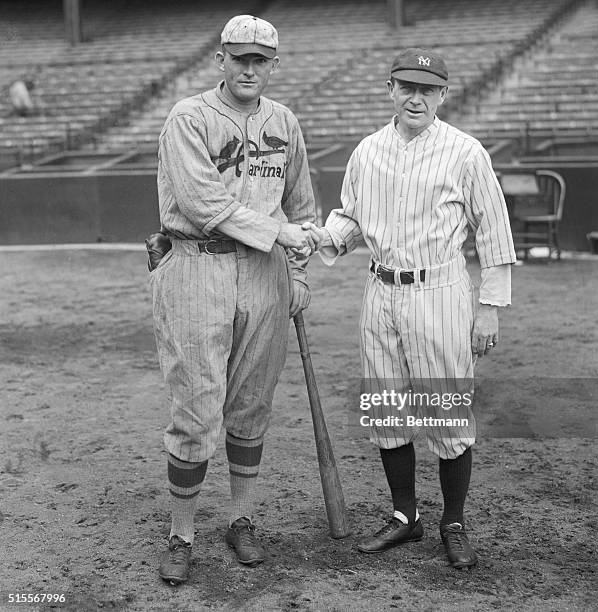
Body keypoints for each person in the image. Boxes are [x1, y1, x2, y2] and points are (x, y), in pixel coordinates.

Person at [304, 48, 516, 569]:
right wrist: (315, 238)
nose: (415, 97)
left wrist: (490, 307)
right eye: (407, 87)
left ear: (443, 95)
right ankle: (406, 517)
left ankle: (454, 522)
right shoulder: (367, 151)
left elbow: (493, 231)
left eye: (428, 89)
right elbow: (349, 219)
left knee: (446, 413)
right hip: (381, 292)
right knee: (387, 410)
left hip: (439, 290)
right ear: (390, 89)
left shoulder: (465, 152)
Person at [149, 14, 318, 585]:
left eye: (261, 59)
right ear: (220, 59)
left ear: (274, 65)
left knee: (251, 405)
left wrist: (296, 271)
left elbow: (301, 207)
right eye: (239, 57)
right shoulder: (189, 118)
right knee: (197, 408)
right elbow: (204, 206)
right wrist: (283, 236)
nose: (250, 68)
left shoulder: (284, 121)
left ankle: (241, 518)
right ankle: (181, 532)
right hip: (197, 264)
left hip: (266, 274)